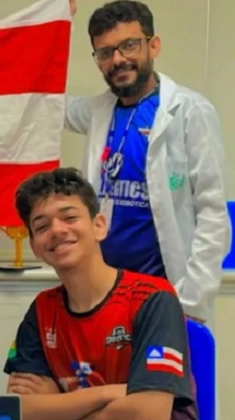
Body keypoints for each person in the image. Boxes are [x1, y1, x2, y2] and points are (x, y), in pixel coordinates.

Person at [4, 167, 227, 420]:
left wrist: (58, 406)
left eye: (69, 217)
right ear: (35, 246)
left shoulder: (153, 297)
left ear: (99, 225)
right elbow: (23, 411)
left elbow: (149, 417)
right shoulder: (42, 311)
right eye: (42, 225)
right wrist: (109, 393)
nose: (57, 230)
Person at [65, 0, 230, 322]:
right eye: (105, 52)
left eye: (129, 45)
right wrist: (54, 27)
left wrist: (191, 304)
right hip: (106, 293)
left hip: (167, 296)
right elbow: (45, 101)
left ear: (153, 45)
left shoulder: (189, 111)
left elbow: (212, 213)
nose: (118, 59)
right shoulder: (98, 111)